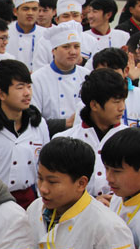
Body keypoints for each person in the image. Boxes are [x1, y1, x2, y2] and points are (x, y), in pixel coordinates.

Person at [0, 60, 49, 209]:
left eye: (29, 86)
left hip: (30, 200)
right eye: (20, 87)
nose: (27, 93)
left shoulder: (38, 124)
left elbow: (46, 162)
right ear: (1, 94)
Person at [55, 68, 128, 199]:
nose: (122, 107)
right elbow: (55, 188)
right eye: (116, 102)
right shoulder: (64, 140)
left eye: (123, 100)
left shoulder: (131, 139)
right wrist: (92, 203)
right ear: (94, 105)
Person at [31, 21, 89, 135]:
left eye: (76, 46)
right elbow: (33, 118)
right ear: (53, 50)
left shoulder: (87, 76)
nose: (73, 52)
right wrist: (65, 123)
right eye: (66, 47)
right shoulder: (37, 79)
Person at [33, 0, 97, 69]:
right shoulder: (45, 41)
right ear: (57, 20)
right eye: (66, 16)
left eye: (75, 15)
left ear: (81, 17)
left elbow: (94, 70)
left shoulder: (91, 41)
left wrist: (82, 62)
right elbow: (39, 70)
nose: (71, 20)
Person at [91, 47, 140, 126]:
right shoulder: (89, 100)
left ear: (126, 71)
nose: (107, 77)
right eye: (102, 72)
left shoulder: (138, 95)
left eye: (112, 71)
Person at [5, 0, 45, 72]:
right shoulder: (6, 33)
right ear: (15, 11)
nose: (30, 13)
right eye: (25, 9)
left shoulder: (46, 35)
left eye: (34, 9)